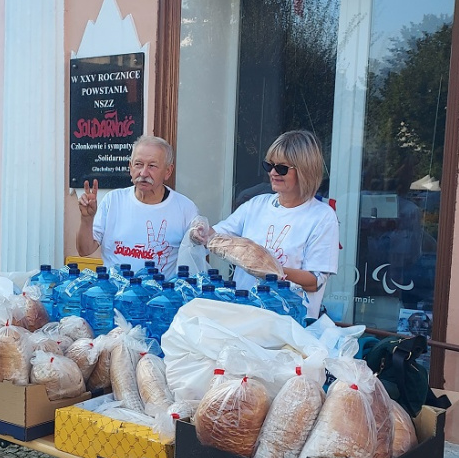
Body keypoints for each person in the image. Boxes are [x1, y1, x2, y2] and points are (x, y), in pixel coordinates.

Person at [201, 130, 339, 320]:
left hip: (288, 321)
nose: (273, 173)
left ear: (305, 170)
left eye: (281, 168)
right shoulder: (256, 204)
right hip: (244, 315)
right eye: (269, 165)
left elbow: (315, 281)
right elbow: (216, 234)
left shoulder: (321, 216)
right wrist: (200, 230)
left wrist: (271, 270)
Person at [76, 135, 198, 277]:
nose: (144, 173)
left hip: (160, 297)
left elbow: (196, 259)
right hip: (114, 294)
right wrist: (86, 219)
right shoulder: (113, 200)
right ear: (130, 167)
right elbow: (84, 250)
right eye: (138, 164)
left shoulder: (185, 208)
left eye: (152, 166)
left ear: (168, 171)